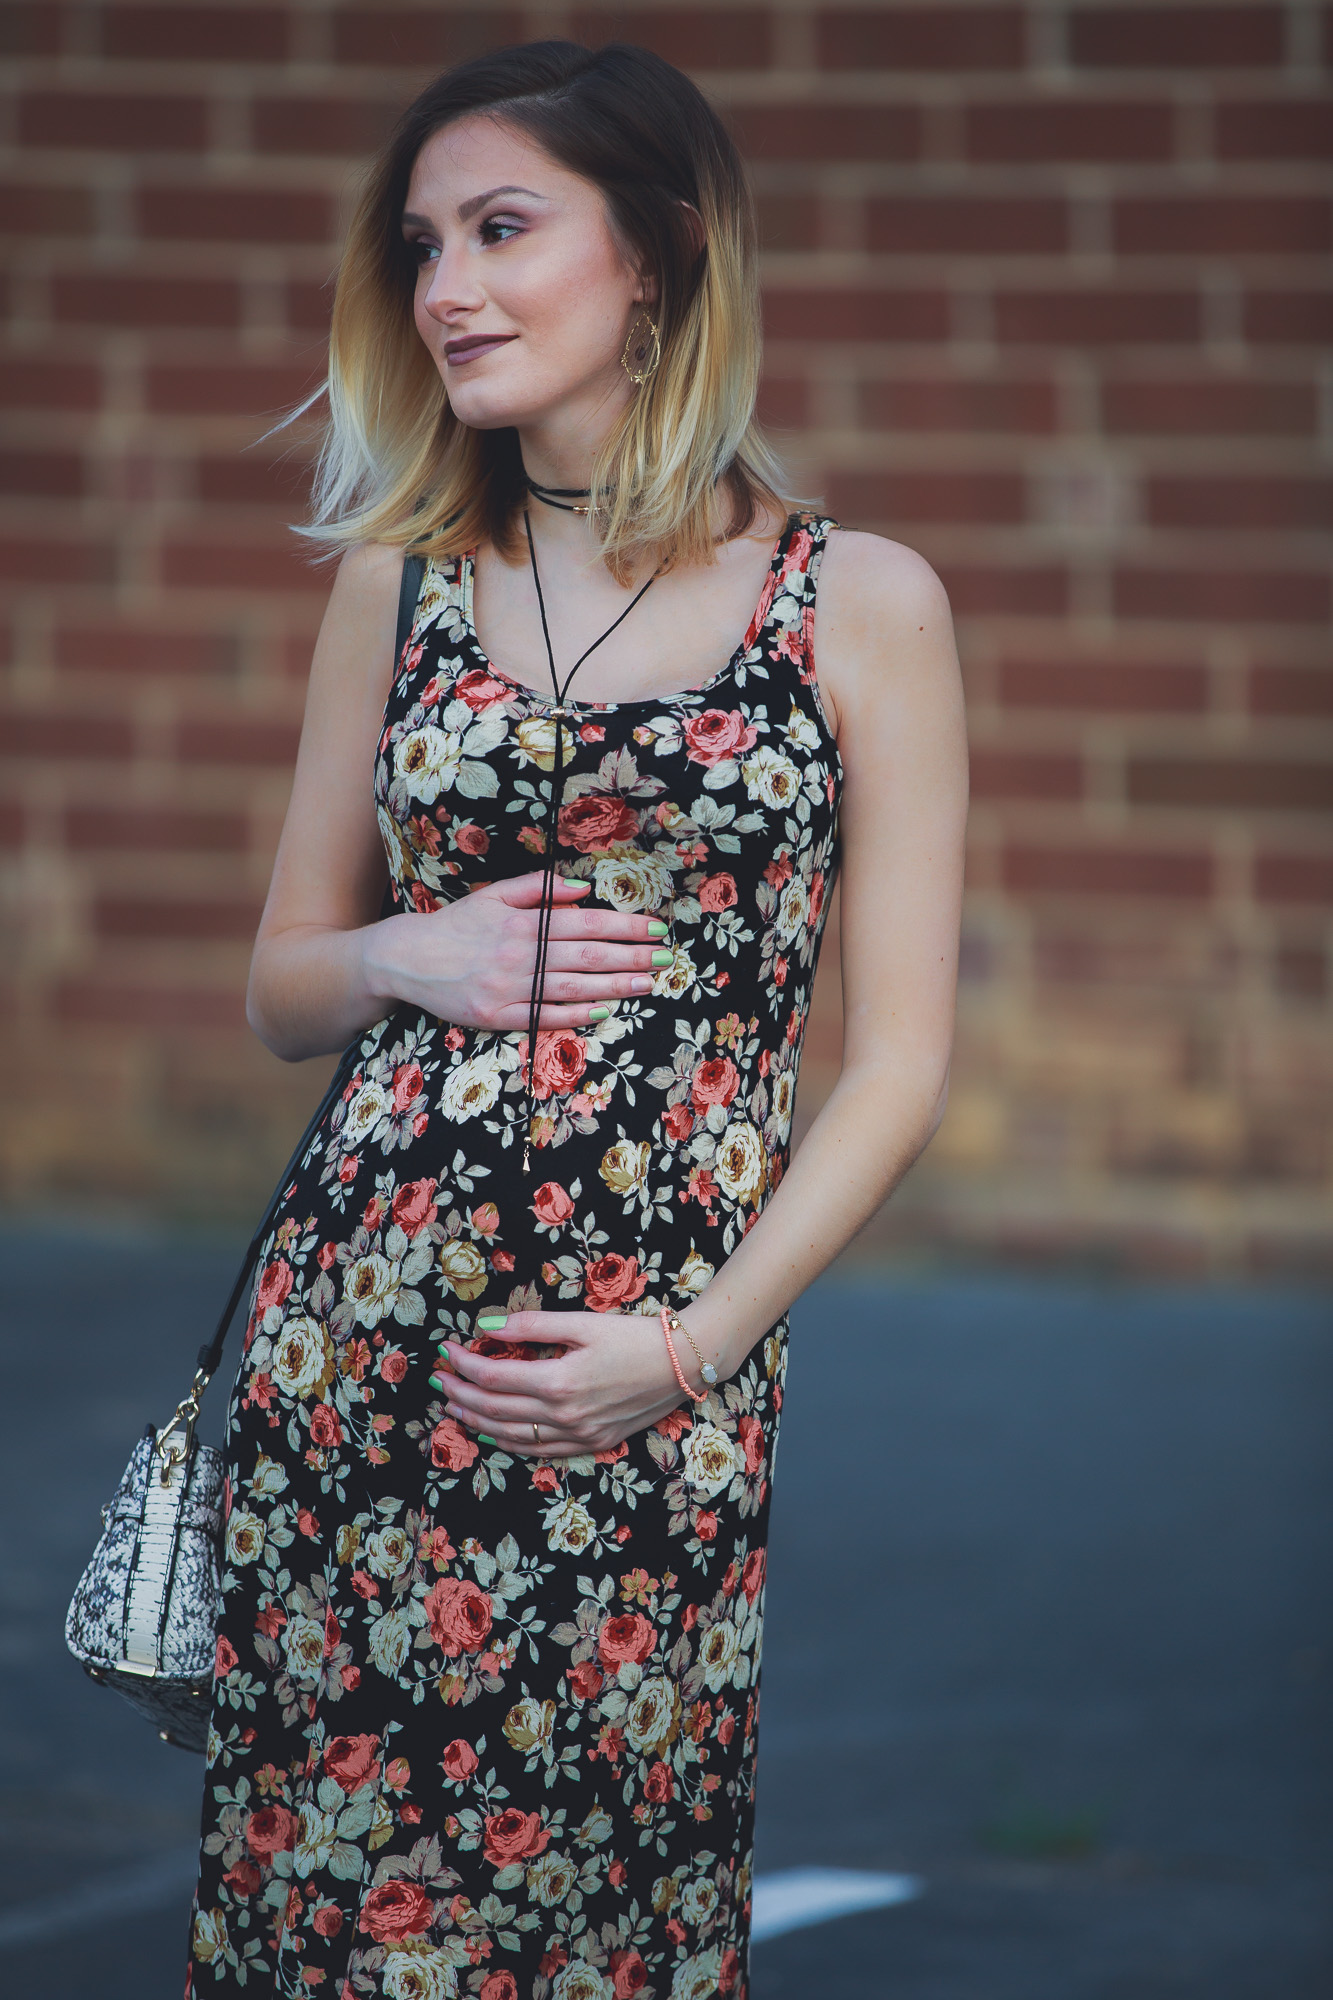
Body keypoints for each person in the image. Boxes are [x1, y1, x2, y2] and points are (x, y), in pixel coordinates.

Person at [188, 39, 966, 2000]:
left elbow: (895, 1059)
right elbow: (284, 979)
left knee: (597, 1901)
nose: (448, 283)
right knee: (341, 1912)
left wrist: (695, 1347)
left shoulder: (856, 601)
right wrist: (406, 952)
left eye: (505, 229)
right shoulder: (402, 582)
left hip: (645, 1361)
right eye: (425, 242)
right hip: (358, 1352)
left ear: (660, 257)